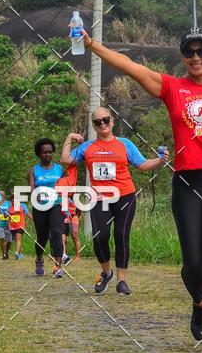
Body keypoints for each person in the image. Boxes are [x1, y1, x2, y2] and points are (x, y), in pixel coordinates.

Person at [81, 27, 202, 353]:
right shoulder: (172, 87)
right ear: (183, 58)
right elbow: (130, 66)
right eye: (190, 52)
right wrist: (92, 46)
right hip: (188, 182)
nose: (196, 58)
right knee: (192, 263)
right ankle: (199, 300)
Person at [61, 111, 168, 296]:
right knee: (99, 236)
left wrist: (160, 160)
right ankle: (106, 272)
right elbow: (65, 160)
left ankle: (122, 280)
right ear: (94, 126)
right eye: (97, 122)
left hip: (125, 195)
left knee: (121, 235)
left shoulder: (125, 144)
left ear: (112, 121)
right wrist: (69, 137)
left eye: (105, 120)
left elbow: (141, 164)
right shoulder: (87, 147)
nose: (102, 124)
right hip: (99, 198)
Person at [28, 139, 66, 278]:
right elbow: (32, 190)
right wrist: (35, 196)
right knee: (42, 238)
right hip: (40, 207)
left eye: (50, 152)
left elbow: (66, 185)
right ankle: (39, 258)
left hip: (57, 204)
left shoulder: (60, 169)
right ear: (39, 154)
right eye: (45, 152)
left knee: (56, 233)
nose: (48, 155)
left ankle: (58, 267)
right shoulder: (33, 170)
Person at [56, 166, 81, 263]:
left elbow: (79, 210)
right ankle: (63, 254)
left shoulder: (74, 195)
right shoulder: (61, 190)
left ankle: (78, 255)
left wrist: (75, 216)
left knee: (75, 237)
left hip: (73, 218)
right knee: (63, 237)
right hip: (64, 217)